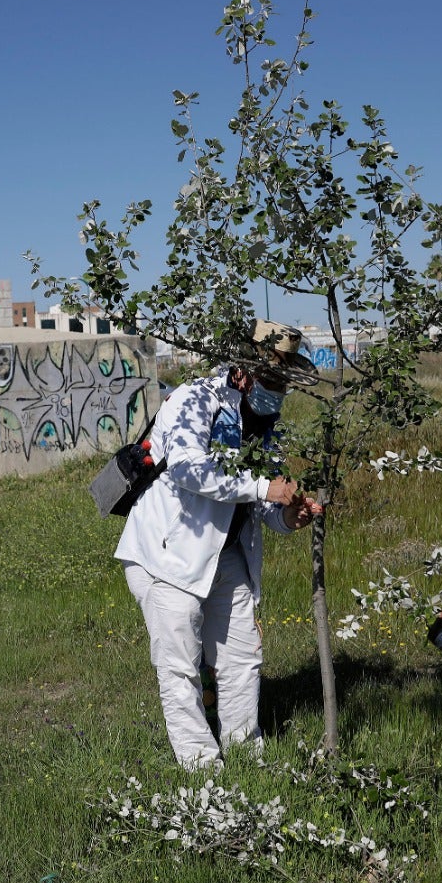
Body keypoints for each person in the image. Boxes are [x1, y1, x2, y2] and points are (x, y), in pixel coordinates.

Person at [116, 320, 324, 770]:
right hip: (167, 555)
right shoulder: (194, 401)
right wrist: (264, 488)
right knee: (180, 667)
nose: (277, 389)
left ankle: (247, 758)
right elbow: (190, 471)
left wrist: (288, 515)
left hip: (225, 555)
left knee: (241, 656)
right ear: (244, 371)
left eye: (283, 381)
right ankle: (202, 769)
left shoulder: (266, 425)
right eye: (272, 378)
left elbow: (259, 502)